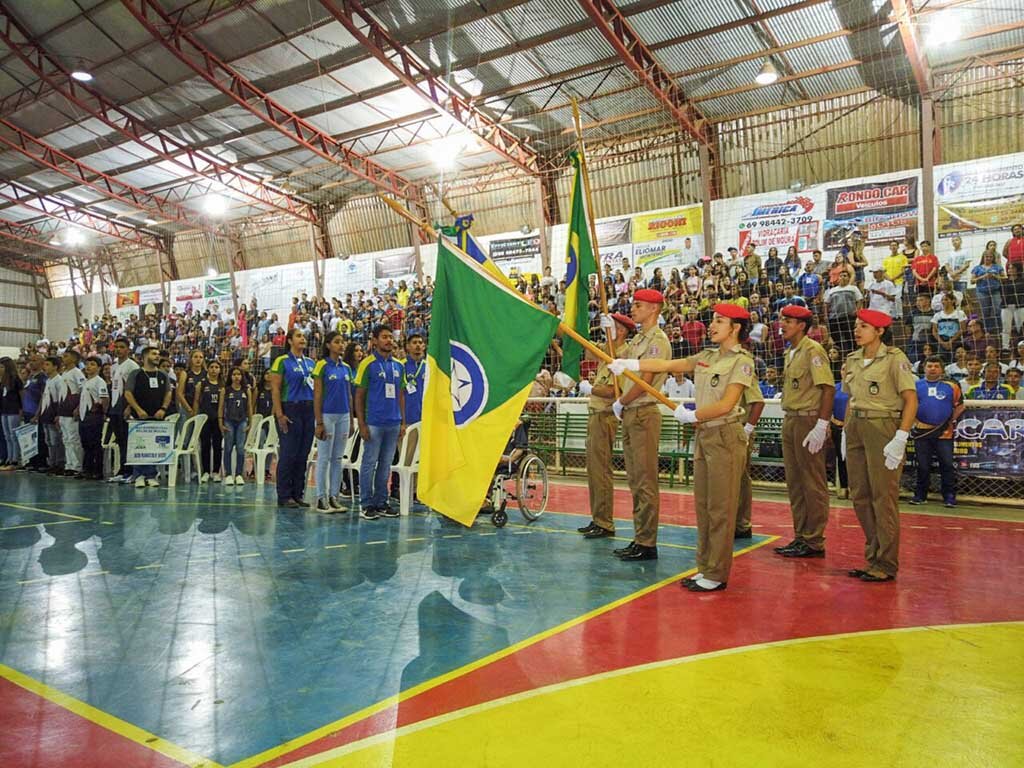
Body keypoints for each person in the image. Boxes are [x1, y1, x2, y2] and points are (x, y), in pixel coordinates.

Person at [612, 303, 755, 591]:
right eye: (712, 320)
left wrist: (693, 415)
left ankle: (716, 573)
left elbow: (727, 403)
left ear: (735, 328)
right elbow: (668, 365)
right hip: (705, 436)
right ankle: (705, 568)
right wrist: (632, 365)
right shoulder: (707, 356)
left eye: (719, 321)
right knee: (703, 507)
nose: (711, 325)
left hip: (725, 435)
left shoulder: (742, 361)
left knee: (721, 508)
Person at [842, 309, 918, 583]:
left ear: (879, 331)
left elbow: (911, 400)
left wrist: (901, 437)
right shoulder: (852, 360)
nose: (857, 330)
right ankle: (873, 555)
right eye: (856, 326)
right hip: (856, 427)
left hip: (883, 427)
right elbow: (852, 399)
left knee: (883, 497)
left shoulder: (894, 359)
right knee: (860, 495)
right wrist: (845, 432)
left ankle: (886, 563)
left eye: (863, 326)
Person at [608, 289, 670, 561]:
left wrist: (622, 400)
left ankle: (647, 542)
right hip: (632, 412)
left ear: (654, 309)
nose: (633, 309)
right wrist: (611, 334)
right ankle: (639, 537)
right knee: (635, 478)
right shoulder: (637, 340)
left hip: (643, 411)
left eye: (639, 305)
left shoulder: (658, 340)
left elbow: (646, 376)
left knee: (645, 480)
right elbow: (617, 359)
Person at [772, 305, 835, 558]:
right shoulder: (791, 352)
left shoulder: (813, 350)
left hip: (808, 420)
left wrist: (822, 425)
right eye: (782, 320)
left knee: (812, 482)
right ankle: (801, 536)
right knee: (796, 483)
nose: (782, 324)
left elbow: (828, 389)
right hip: (792, 419)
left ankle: (814, 540)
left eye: (788, 321)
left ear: (801, 325)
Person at [577, 313, 635, 539]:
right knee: (594, 470)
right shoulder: (609, 352)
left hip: (604, 414)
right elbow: (586, 347)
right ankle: (598, 518)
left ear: (621, 331)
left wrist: (590, 389)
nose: (605, 329)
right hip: (597, 415)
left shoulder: (622, 355)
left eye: (611, 326)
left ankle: (604, 522)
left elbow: (613, 391)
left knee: (600, 470)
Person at [354, 325, 406, 520]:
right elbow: (358, 396)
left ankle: (381, 502)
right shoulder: (367, 364)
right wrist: (362, 423)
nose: (389, 341)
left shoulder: (398, 365)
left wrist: (403, 421)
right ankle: (366, 504)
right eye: (384, 337)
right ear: (374, 340)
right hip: (374, 422)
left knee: (385, 465)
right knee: (369, 463)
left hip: (393, 423)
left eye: (390, 337)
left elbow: (401, 395)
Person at [270, 328, 317, 508]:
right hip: (290, 408)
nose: (302, 339)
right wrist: (279, 413)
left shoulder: (311, 363)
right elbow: (275, 389)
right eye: (298, 336)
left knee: (302, 454)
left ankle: (298, 494)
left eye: (304, 336)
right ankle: (284, 495)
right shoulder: (281, 361)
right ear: (289, 341)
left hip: (308, 408)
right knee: (289, 453)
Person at [910, 356, 963, 508]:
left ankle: (949, 496)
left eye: (936, 366)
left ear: (942, 369)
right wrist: (914, 422)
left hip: (944, 433)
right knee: (922, 465)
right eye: (929, 366)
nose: (932, 368)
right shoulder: (915, 386)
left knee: (946, 464)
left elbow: (960, 406)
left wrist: (948, 422)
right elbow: (909, 405)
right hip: (922, 432)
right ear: (924, 368)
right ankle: (920, 495)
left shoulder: (952, 385)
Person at [312, 331, 353, 513]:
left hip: (343, 416)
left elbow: (349, 395)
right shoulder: (321, 366)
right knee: (324, 458)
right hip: (327, 416)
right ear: (328, 345)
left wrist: (351, 420)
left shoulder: (346, 368)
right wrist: (319, 422)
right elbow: (318, 395)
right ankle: (321, 497)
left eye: (342, 342)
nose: (341, 345)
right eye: (337, 342)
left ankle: (334, 497)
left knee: (338, 458)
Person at [122, 346, 173, 488]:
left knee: (153, 446)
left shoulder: (163, 375)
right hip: (139, 416)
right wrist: (138, 409)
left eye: (158, 354)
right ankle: (138, 475)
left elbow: (168, 393)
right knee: (139, 445)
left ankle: (151, 475)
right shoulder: (136, 374)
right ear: (144, 357)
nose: (157, 356)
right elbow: (128, 393)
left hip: (157, 417)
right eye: (153, 354)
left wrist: (163, 408)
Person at [733, 373, 765, 541]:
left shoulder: (744, 370)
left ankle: (742, 524)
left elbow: (758, 402)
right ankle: (733, 522)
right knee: (730, 479)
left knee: (740, 478)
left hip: (740, 427)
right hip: (724, 429)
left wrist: (748, 429)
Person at [106, 337, 139, 483]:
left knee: (127, 440)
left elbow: (136, 389)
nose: (118, 350)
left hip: (125, 408)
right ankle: (122, 470)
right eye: (116, 347)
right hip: (115, 407)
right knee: (120, 440)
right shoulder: (113, 366)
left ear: (128, 349)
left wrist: (129, 407)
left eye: (122, 347)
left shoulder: (132, 366)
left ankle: (131, 471)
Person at [219, 365, 252, 486]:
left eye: (238, 374)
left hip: (242, 421)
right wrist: (220, 422)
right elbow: (221, 407)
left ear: (242, 376)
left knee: (240, 448)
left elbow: (249, 407)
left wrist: (250, 423)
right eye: (234, 374)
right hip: (229, 421)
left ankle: (238, 474)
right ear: (230, 376)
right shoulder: (225, 390)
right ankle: (228, 474)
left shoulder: (246, 390)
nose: (236, 377)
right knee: (228, 447)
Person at [77, 356, 109, 480]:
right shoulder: (86, 381)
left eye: (92, 364)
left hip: (94, 416)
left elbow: (105, 399)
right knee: (86, 444)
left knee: (94, 444)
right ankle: (87, 469)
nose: (89, 367)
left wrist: (103, 413)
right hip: (84, 416)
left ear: (99, 368)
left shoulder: (99, 381)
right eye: (87, 364)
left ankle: (97, 471)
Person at [192, 360, 223, 482]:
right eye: (211, 367)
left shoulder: (223, 385)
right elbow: (196, 401)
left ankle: (216, 471)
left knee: (217, 445)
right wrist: (195, 417)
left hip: (218, 419)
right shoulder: (202, 384)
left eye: (216, 367)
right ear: (208, 369)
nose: (214, 369)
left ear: (220, 370)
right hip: (205, 419)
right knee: (205, 445)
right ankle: (205, 471)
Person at [58, 349, 86, 477]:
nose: (63, 358)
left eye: (66, 356)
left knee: (74, 439)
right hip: (63, 410)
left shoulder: (77, 373)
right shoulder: (64, 373)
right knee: (66, 439)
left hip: (72, 411)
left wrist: (78, 407)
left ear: (74, 359)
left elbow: (83, 391)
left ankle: (77, 466)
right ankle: (69, 464)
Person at [823, 270, 862, 355]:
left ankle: (852, 354)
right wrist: (826, 315)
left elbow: (859, 300)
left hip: (848, 317)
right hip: (834, 318)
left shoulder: (853, 288)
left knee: (850, 338)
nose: (843, 277)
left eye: (845, 275)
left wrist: (856, 311)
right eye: (841, 276)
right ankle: (839, 357)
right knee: (836, 339)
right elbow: (826, 303)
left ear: (848, 278)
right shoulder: (832, 290)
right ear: (838, 278)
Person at [970, 245, 1004, 336]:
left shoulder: (997, 267)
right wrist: (983, 277)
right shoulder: (977, 268)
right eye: (986, 257)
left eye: (990, 257)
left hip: (995, 291)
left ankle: (1000, 330)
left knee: (998, 310)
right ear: (983, 257)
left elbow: (1004, 278)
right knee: (985, 312)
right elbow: (972, 281)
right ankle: (987, 331)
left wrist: (995, 276)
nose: (988, 258)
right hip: (982, 292)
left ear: (993, 258)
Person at [0, 358, 23, 468]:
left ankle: (15, 459)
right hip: (4, 410)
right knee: (6, 436)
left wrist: (22, 408)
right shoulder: (3, 380)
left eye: (2, 367)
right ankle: (9, 458)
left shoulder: (15, 379)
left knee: (14, 435)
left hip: (14, 409)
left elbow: (21, 395)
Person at [831, 364, 850, 499]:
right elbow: (828, 407)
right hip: (837, 427)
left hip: (853, 427)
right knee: (841, 457)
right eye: (843, 369)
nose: (845, 371)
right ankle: (844, 487)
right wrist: (834, 421)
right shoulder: (835, 388)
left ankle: (856, 487)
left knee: (856, 459)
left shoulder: (857, 388)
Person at [1001, 262, 1024, 351]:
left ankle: (1021, 343)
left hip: (1020, 306)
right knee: (1006, 326)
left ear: (1017, 270)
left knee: (1020, 326)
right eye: (1009, 268)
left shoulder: (1022, 281)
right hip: (1007, 306)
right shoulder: (1004, 281)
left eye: (1013, 268)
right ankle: (1005, 346)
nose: (1010, 270)